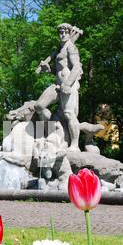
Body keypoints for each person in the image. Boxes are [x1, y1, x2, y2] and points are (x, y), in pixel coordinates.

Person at [35, 23, 83, 152]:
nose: (62, 34)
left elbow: (77, 67)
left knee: (69, 114)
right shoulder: (59, 49)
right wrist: (48, 69)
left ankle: (74, 145)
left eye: (65, 32)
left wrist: (68, 84)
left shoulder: (71, 48)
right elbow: (59, 70)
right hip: (57, 84)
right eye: (60, 32)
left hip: (68, 84)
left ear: (69, 33)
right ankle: (51, 133)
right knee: (39, 106)